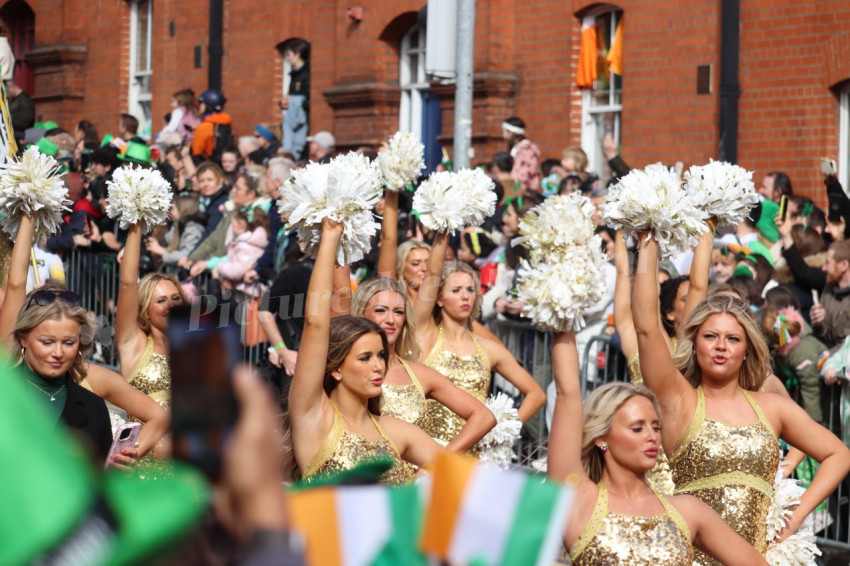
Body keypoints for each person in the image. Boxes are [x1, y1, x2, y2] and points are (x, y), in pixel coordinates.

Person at [633, 232, 850, 564]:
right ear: (695, 344)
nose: (721, 346)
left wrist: (795, 516)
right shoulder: (680, 401)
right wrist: (647, 239)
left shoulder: (772, 408)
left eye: (732, 338)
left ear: (747, 348)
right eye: (710, 336)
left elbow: (838, 454)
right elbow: (646, 327)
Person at [548, 328, 768, 565]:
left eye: (655, 427)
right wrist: (563, 310)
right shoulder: (581, 502)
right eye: (637, 428)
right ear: (602, 439)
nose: (651, 436)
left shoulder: (687, 511)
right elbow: (567, 393)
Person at [288, 218, 441, 484]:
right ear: (336, 368)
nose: (379, 366)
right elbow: (315, 323)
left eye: (381, 355)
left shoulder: (395, 431)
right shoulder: (315, 418)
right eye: (365, 358)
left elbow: (464, 474)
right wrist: (331, 235)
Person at [414, 233, 545, 446]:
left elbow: (536, 394)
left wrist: (504, 431)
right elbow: (432, 273)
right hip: (430, 456)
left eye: (470, 290)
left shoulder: (489, 349)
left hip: (476, 460)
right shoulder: (425, 338)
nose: (465, 296)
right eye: (456, 290)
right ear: (438, 299)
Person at [350, 277, 496, 455]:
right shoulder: (343, 371)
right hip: (359, 480)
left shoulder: (419, 374)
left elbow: (483, 417)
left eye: (398, 312)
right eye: (380, 310)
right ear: (361, 314)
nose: (391, 320)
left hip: (412, 482)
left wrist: (438, 463)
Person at [145, 194, 205, 267]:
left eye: (173, 209)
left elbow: (188, 254)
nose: (170, 212)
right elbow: (170, 242)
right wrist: (156, 242)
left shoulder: (194, 228)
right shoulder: (177, 224)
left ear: (182, 209)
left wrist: (160, 250)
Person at [282, 39, 310, 160]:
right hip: (291, 116)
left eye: (289, 55)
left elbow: (307, 99)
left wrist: (295, 101)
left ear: (297, 54)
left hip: (301, 119)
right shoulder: (293, 74)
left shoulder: (307, 74)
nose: (287, 58)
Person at [191, 89, 232, 160]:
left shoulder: (204, 127)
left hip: (208, 164)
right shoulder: (227, 122)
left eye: (201, 102)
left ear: (208, 105)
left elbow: (196, 152)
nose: (199, 105)